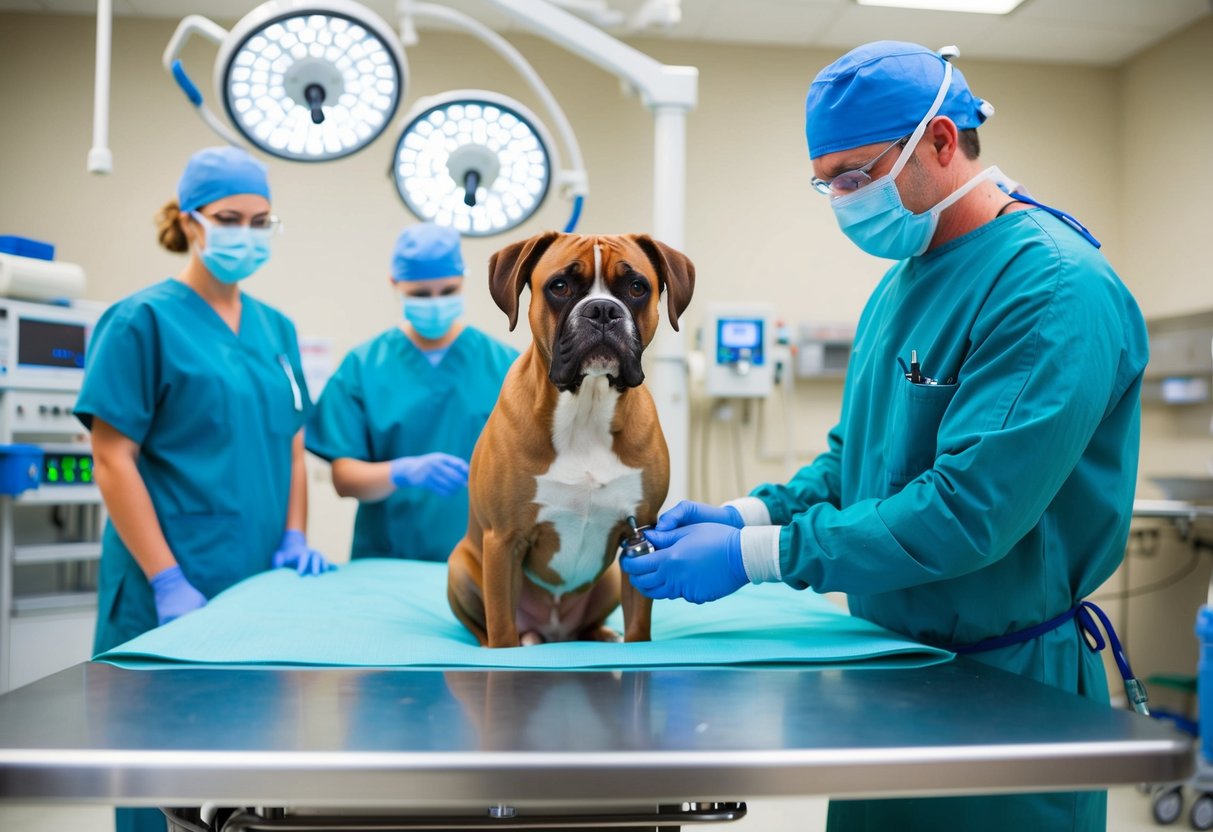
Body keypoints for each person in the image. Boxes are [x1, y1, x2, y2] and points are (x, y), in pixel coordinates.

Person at [621, 41, 1147, 832]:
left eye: (854, 176)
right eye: (823, 181)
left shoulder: (1049, 288)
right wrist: (747, 514)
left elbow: (966, 512)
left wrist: (755, 559)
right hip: (888, 669)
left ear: (940, 141)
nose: (838, 199)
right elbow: (854, 462)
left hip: (1002, 690)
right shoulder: (901, 285)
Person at [77, 146, 334, 832]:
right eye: (229, 218)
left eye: (261, 221)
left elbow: (292, 441)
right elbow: (112, 459)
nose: (246, 234)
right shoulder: (141, 321)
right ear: (190, 221)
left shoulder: (275, 328)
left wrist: (295, 535)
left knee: (245, 770)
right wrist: (166, 580)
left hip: (254, 582)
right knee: (157, 768)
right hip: (171, 586)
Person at [306, 223, 518, 561]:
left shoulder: (507, 365)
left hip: (486, 560)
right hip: (389, 559)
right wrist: (401, 472)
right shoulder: (363, 366)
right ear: (395, 284)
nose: (435, 303)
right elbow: (344, 479)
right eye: (420, 294)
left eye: (448, 291)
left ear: (463, 281)